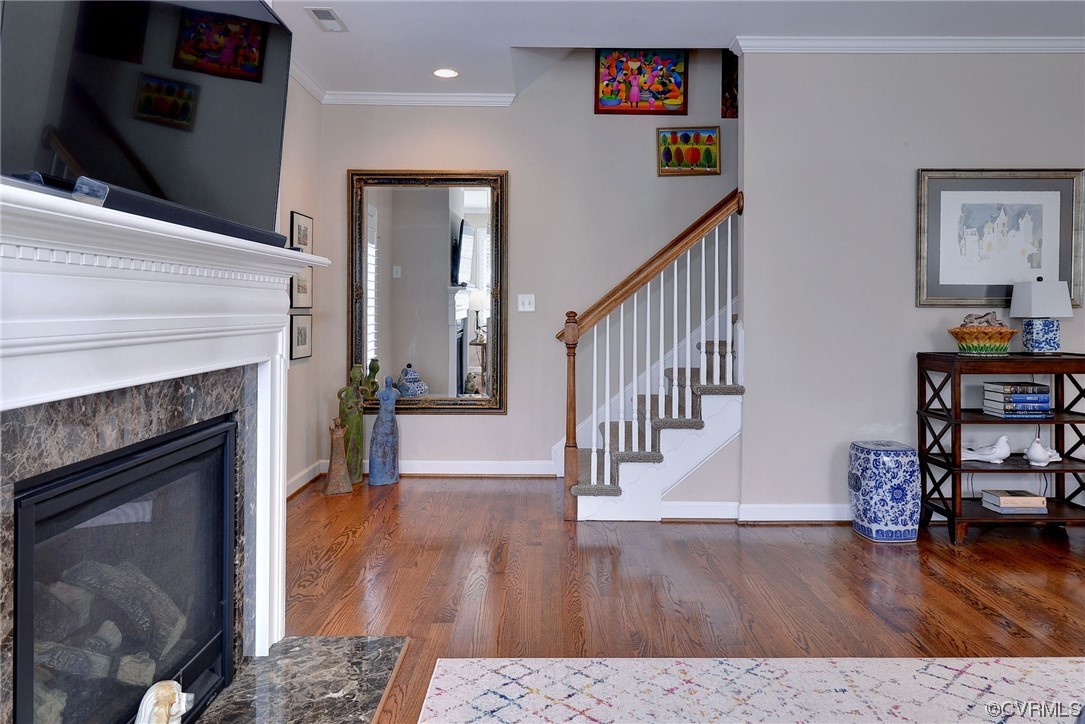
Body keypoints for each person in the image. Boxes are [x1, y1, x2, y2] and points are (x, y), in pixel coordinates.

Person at [369, 376, 400, 485]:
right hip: (381, 420)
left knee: (391, 447)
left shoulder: (396, 392)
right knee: (378, 446)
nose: (389, 382)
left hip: (391, 421)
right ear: (386, 382)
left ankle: (390, 475)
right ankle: (378, 476)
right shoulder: (380, 392)